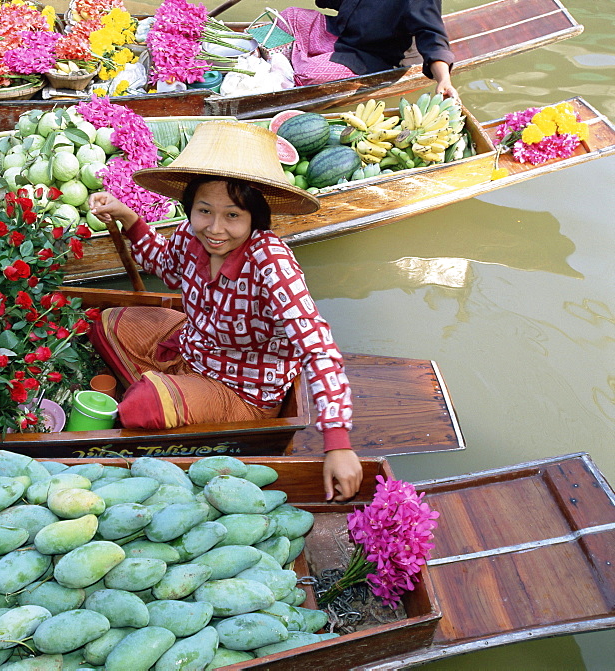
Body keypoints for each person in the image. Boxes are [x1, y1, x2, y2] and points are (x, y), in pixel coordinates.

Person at [88, 121, 362, 502]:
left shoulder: (271, 264)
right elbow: (166, 268)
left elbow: (317, 348)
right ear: (191, 209)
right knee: (106, 321)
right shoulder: (190, 233)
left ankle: (166, 398)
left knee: (141, 406)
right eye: (204, 211)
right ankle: (172, 393)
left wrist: (338, 443)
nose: (215, 229)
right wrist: (130, 219)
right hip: (191, 346)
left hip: (242, 390)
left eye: (233, 215)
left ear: (254, 218)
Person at [279, 0, 458, 100]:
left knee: (310, 74)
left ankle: (288, 67)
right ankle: (281, 64)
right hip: (343, 33)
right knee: (289, 15)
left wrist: (444, 80)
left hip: (371, 54)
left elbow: (432, 36)